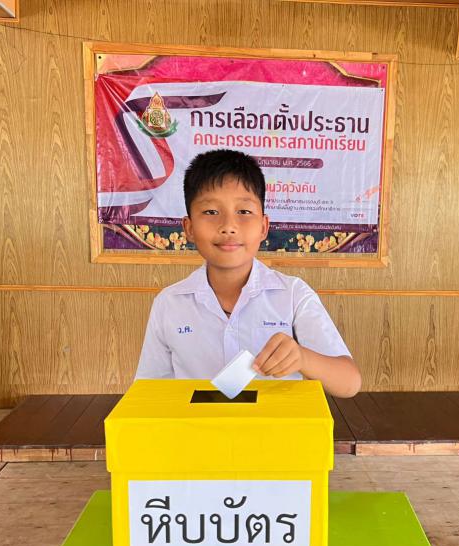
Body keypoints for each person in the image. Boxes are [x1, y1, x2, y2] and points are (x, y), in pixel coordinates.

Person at [135, 150, 362, 398]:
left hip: (274, 423)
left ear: (264, 227)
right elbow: (148, 393)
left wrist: (303, 358)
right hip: (197, 424)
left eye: (243, 212)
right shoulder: (169, 303)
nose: (228, 227)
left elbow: (349, 383)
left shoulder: (293, 295)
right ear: (188, 228)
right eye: (211, 212)